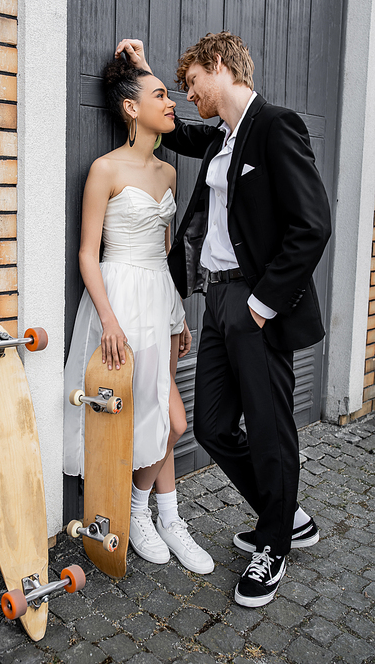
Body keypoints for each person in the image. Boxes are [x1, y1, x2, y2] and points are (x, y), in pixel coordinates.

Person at [116, 32, 331, 607]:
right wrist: (142, 69)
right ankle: (284, 514)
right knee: (211, 425)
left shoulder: (276, 126)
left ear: (219, 67)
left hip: (256, 305)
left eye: (190, 84)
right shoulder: (221, 140)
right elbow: (172, 127)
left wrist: (263, 303)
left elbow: (312, 225)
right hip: (215, 303)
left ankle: (274, 543)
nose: (185, 96)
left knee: (269, 428)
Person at [63, 58, 214, 574]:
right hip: (120, 300)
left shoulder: (169, 170)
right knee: (161, 418)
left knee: (162, 416)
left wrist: (179, 316)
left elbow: (167, 248)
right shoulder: (105, 169)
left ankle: (165, 517)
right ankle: (138, 511)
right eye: (159, 95)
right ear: (132, 108)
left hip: (161, 300)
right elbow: (88, 254)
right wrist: (108, 320)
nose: (172, 101)